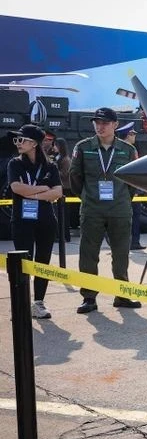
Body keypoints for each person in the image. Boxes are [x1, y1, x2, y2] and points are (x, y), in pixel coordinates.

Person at [68, 107, 142, 313]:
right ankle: (89, 297)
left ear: (115, 125)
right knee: (89, 254)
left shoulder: (128, 150)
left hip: (119, 210)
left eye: (105, 123)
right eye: (97, 123)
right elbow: (75, 177)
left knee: (121, 254)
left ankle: (122, 294)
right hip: (92, 210)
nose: (100, 126)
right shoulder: (83, 147)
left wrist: (125, 200)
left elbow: (133, 181)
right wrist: (86, 197)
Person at [6, 124, 64, 318]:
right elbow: (17, 188)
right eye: (17, 140)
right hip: (22, 221)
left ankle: (38, 302)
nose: (18, 143)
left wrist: (35, 194)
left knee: (42, 262)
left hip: (46, 220)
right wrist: (44, 190)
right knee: (22, 262)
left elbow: (58, 192)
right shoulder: (15, 164)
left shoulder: (50, 166)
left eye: (21, 140)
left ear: (34, 144)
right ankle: (20, 302)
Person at [116, 122, 146, 249]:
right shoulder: (131, 150)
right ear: (127, 135)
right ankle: (134, 242)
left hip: (121, 191)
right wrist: (138, 189)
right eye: (133, 134)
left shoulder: (117, 149)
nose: (134, 136)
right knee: (134, 216)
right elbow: (136, 172)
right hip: (131, 191)